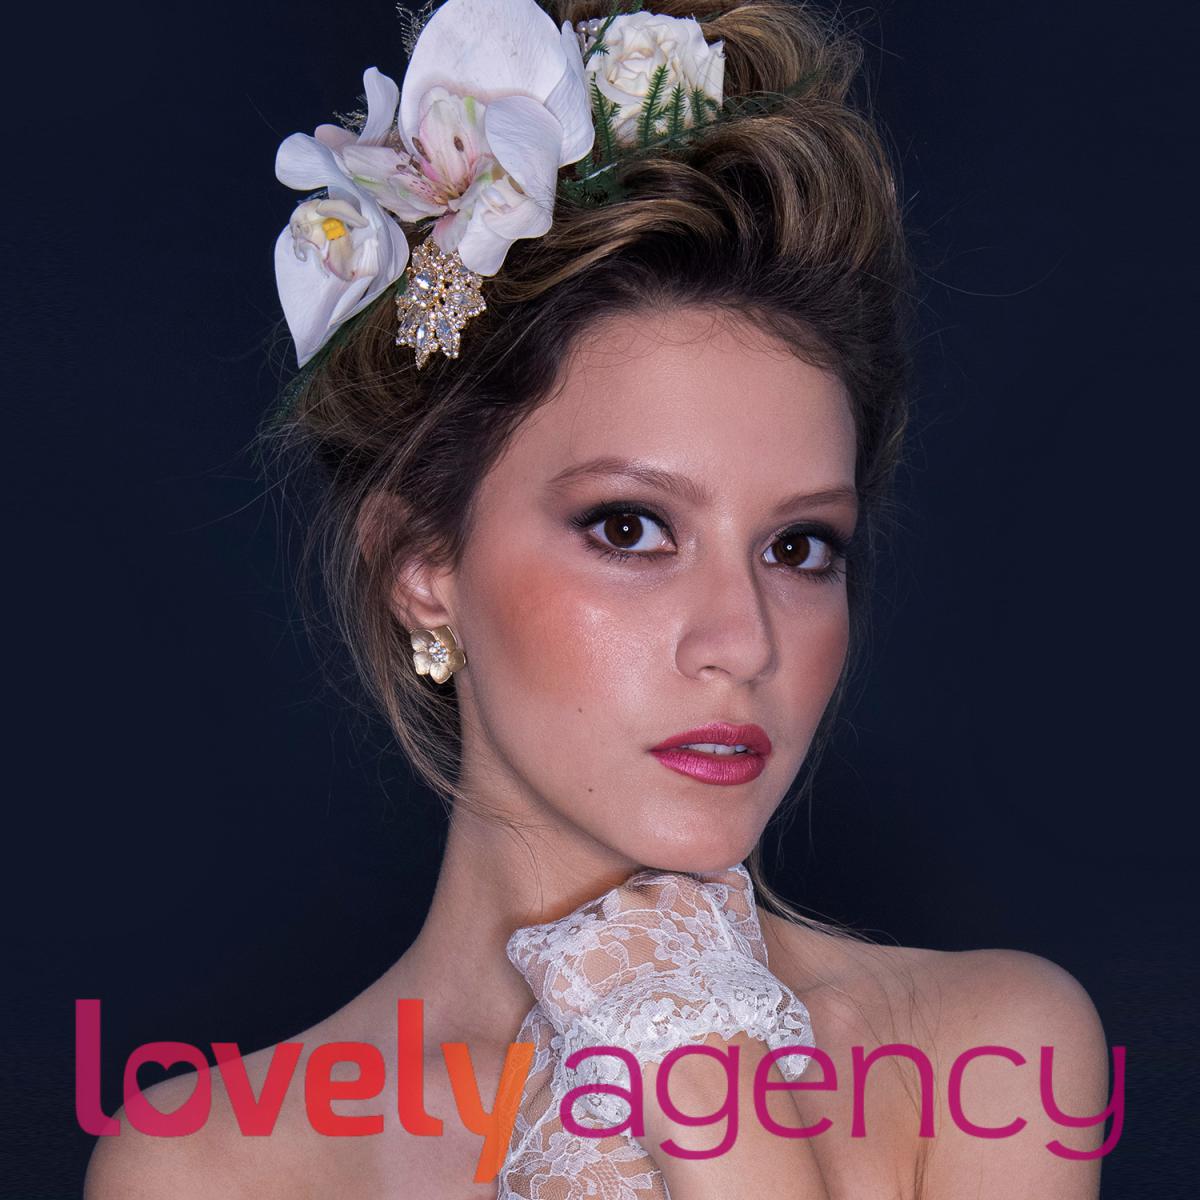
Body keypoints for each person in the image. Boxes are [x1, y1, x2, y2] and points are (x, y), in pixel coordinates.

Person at [85, 0, 1111, 1194]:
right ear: (421, 564)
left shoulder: (989, 1058)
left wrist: (699, 1079)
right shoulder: (210, 1165)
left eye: (798, 547)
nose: (743, 643)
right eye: (630, 528)